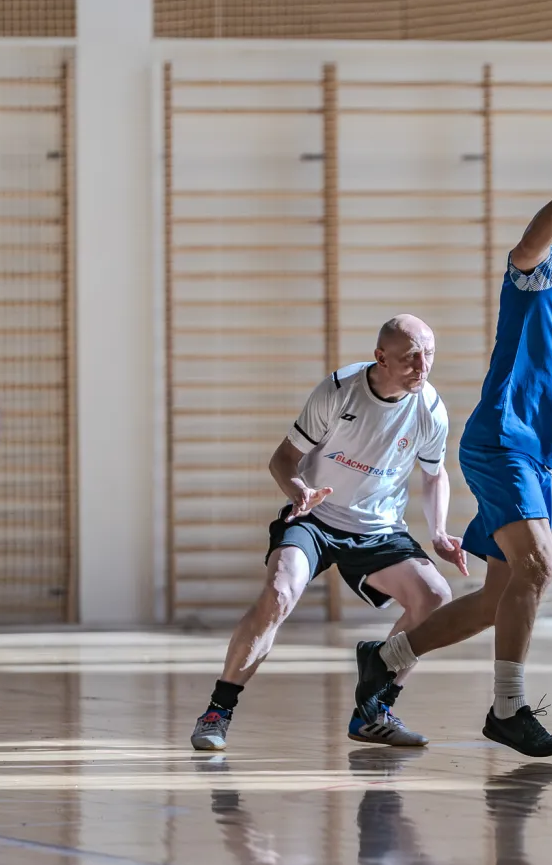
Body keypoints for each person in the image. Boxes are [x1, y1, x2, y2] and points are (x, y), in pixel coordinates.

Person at [352, 141, 552, 757]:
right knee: (539, 566)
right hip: (503, 441)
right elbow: (528, 246)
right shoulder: (541, 272)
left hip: (534, 457)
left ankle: (386, 658)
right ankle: (508, 709)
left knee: (497, 599)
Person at [190, 315, 465, 752]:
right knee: (278, 594)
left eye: (429, 354)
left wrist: (439, 532)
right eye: (411, 357)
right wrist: (299, 492)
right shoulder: (339, 391)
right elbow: (282, 459)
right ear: (381, 358)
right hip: (315, 518)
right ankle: (217, 711)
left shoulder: (429, 409)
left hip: (377, 529)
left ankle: (375, 710)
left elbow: (434, 475)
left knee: (434, 597)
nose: (422, 366)